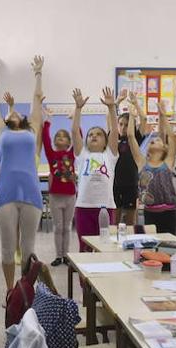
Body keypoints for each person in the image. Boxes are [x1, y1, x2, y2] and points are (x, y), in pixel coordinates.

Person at [0, 54, 44, 292]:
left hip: (31, 194)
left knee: (28, 248)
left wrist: (38, 73)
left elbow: (37, 98)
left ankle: (26, 291)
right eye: (9, 113)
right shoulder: (0, 130)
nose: (13, 112)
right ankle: (10, 292)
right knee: (8, 247)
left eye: (18, 111)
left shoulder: (33, 129)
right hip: (6, 194)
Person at [71, 88, 119, 252]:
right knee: (85, 248)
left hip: (105, 207)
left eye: (99, 134)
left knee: (104, 248)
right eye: (91, 134)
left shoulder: (109, 155)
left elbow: (114, 132)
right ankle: (84, 279)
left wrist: (112, 108)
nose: (93, 136)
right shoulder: (82, 154)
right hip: (84, 206)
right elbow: (74, 132)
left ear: (105, 142)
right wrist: (78, 109)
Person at [128, 102, 176, 234]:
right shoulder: (141, 163)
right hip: (150, 212)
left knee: (168, 246)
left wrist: (163, 116)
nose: (154, 140)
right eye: (152, 140)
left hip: (169, 212)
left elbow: (172, 137)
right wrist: (132, 117)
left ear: (164, 148)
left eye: (158, 140)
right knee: (152, 246)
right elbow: (130, 137)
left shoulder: (168, 162)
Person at [41, 109, 76, 266]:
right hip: (55, 196)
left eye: (64, 136)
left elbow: (78, 136)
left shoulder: (72, 155)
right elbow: (45, 139)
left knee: (67, 227)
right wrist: (47, 122)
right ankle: (58, 255)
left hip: (69, 196)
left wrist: (74, 119)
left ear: (69, 143)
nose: (61, 138)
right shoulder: (51, 155)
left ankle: (66, 255)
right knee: (58, 227)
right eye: (58, 136)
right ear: (55, 142)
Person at [113, 90, 151, 225]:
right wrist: (116, 102)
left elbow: (144, 119)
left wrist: (135, 104)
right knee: (115, 220)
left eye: (126, 124)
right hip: (115, 184)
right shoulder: (114, 138)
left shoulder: (135, 138)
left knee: (130, 222)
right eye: (120, 124)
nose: (123, 127)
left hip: (131, 183)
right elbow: (109, 119)